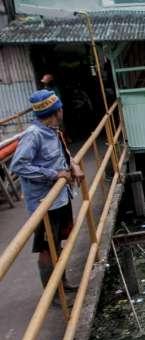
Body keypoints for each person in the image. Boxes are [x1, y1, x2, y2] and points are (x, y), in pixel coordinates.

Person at [10, 89, 83, 293]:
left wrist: (74, 165)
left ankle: (62, 282)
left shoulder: (52, 130)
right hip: (45, 202)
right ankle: (52, 294)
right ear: (55, 110)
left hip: (60, 198)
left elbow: (62, 153)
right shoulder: (34, 135)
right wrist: (54, 174)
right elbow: (18, 166)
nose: (62, 111)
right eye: (60, 108)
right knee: (46, 248)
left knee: (57, 242)